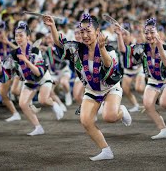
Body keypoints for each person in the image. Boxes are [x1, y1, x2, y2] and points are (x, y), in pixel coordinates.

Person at [43, 14, 132, 161]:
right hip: (91, 90)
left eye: (88, 31)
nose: (84, 35)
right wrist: (52, 26)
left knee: (109, 117)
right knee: (86, 121)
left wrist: (102, 48)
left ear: (97, 32)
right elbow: (60, 44)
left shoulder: (109, 48)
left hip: (109, 87)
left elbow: (109, 66)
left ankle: (122, 111)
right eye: (81, 31)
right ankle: (106, 150)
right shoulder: (77, 49)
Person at [0, 22, 64, 136]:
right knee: (22, 104)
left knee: (43, 100)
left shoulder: (35, 50)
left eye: (21, 35)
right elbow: (5, 73)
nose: (18, 38)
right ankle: (38, 127)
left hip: (42, 77)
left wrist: (26, 61)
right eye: (16, 35)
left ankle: (54, 104)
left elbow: (38, 72)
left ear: (28, 37)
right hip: (29, 80)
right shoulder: (13, 54)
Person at [129, 18, 166, 139]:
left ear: (159, 33)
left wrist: (159, 46)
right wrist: (122, 37)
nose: (149, 35)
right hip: (153, 79)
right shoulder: (142, 48)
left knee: (165, 103)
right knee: (148, 105)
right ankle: (163, 130)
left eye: (152, 32)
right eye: (146, 32)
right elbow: (127, 54)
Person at [115, 22, 145, 112]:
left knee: (139, 89)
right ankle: (136, 105)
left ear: (130, 34)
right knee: (126, 90)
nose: (124, 36)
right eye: (123, 34)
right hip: (128, 70)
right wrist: (119, 35)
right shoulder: (121, 42)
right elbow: (122, 49)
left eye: (125, 34)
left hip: (138, 69)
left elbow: (144, 42)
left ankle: (149, 101)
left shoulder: (135, 42)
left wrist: (141, 31)